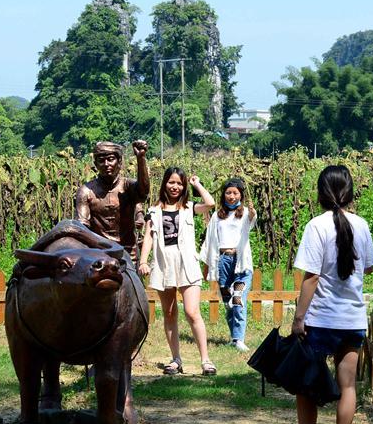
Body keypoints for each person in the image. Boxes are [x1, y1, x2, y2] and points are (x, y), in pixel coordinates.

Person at [274, 165, 373, 424]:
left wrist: (298, 318)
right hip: (353, 319)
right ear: (350, 192)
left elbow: (312, 276)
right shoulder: (361, 225)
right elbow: (368, 267)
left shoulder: (316, 226)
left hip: (321, 319)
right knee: (348, 386)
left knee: (307, 387)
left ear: (321, 193)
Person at [138, 168, 217, 376]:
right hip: (164, 263)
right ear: (165, 184)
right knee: (170, 313)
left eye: (179, 184)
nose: (175, 187)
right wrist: (143, 260)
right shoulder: (154, 210)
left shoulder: (189, 207)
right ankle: (175, 359)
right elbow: (149, 236)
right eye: (172, 182)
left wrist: (196, 184)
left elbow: (210, 204)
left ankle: (206, 360)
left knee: (192, 312)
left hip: (187, 263)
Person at [199, 178, 256, 352]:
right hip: (223, 262)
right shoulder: (217, 216)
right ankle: (233, 337)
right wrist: (207, 266)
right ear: (224, 194)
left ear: (241, 195)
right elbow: (209, 242)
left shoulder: (246, 213)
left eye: (235, 193)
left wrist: (253, 212)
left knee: (237, 299)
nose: (231, 196)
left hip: (241, 262)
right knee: (228, 302)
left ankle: (239, 339)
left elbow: (252, 220)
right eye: (228, 193)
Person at [74, 140, 149, 260]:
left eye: (110, 159)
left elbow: (143, 192)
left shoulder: (127, 186)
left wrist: (141, 159)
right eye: (101, 160)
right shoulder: (86, 191)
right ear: (95, 164)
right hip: (99, 255)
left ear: (119, 162)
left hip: (128, 253)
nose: (106, 164)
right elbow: (82, 225)